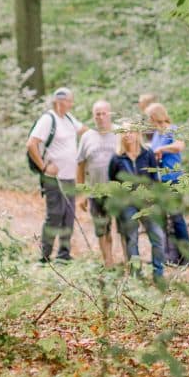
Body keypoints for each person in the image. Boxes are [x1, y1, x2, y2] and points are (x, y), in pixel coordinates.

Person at [27, 88, 85, 263]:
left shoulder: (68, 118)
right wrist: (44, 167)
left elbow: (84, 130)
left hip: (70, 177)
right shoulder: (48, 119)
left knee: (68, 215)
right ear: (60, 101)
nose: (71, 104)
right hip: (53, 178)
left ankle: (64, 255)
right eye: (69, 100)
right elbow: (31, 144)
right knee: (55, 215)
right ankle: (45, 256)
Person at [108, 129, 167, 283]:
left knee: (158, 237)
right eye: (124, 132)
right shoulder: (116, 158)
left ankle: (158, 275)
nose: (127, 135)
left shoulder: (147, 153)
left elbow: (155, 179)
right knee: (131, 240)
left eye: (131, 131)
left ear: (137, 134)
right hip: (127, 205)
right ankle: (136, 276)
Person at [145, 102, 189, 266]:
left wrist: (162, 150)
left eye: (149, 118)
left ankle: (188, 255)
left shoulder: (172, 129)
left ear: (155, 117)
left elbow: (180, 145)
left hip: (173, 179)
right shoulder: (157, 135)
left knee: (177, 218)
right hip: (160, 181)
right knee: (164, 220)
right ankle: (172, 255)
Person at [76, 100, 121, 265]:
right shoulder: (87, 137)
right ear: (93, 116)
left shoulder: (121, 133)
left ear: (110, 114)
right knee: (102, 230)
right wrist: (81, 193)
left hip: (119, 193)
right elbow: (80, 165)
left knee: (124, 229)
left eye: (104, 113)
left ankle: (128, 263)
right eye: (97, 114)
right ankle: (108, 262)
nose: (101, 117)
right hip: (96, 192)